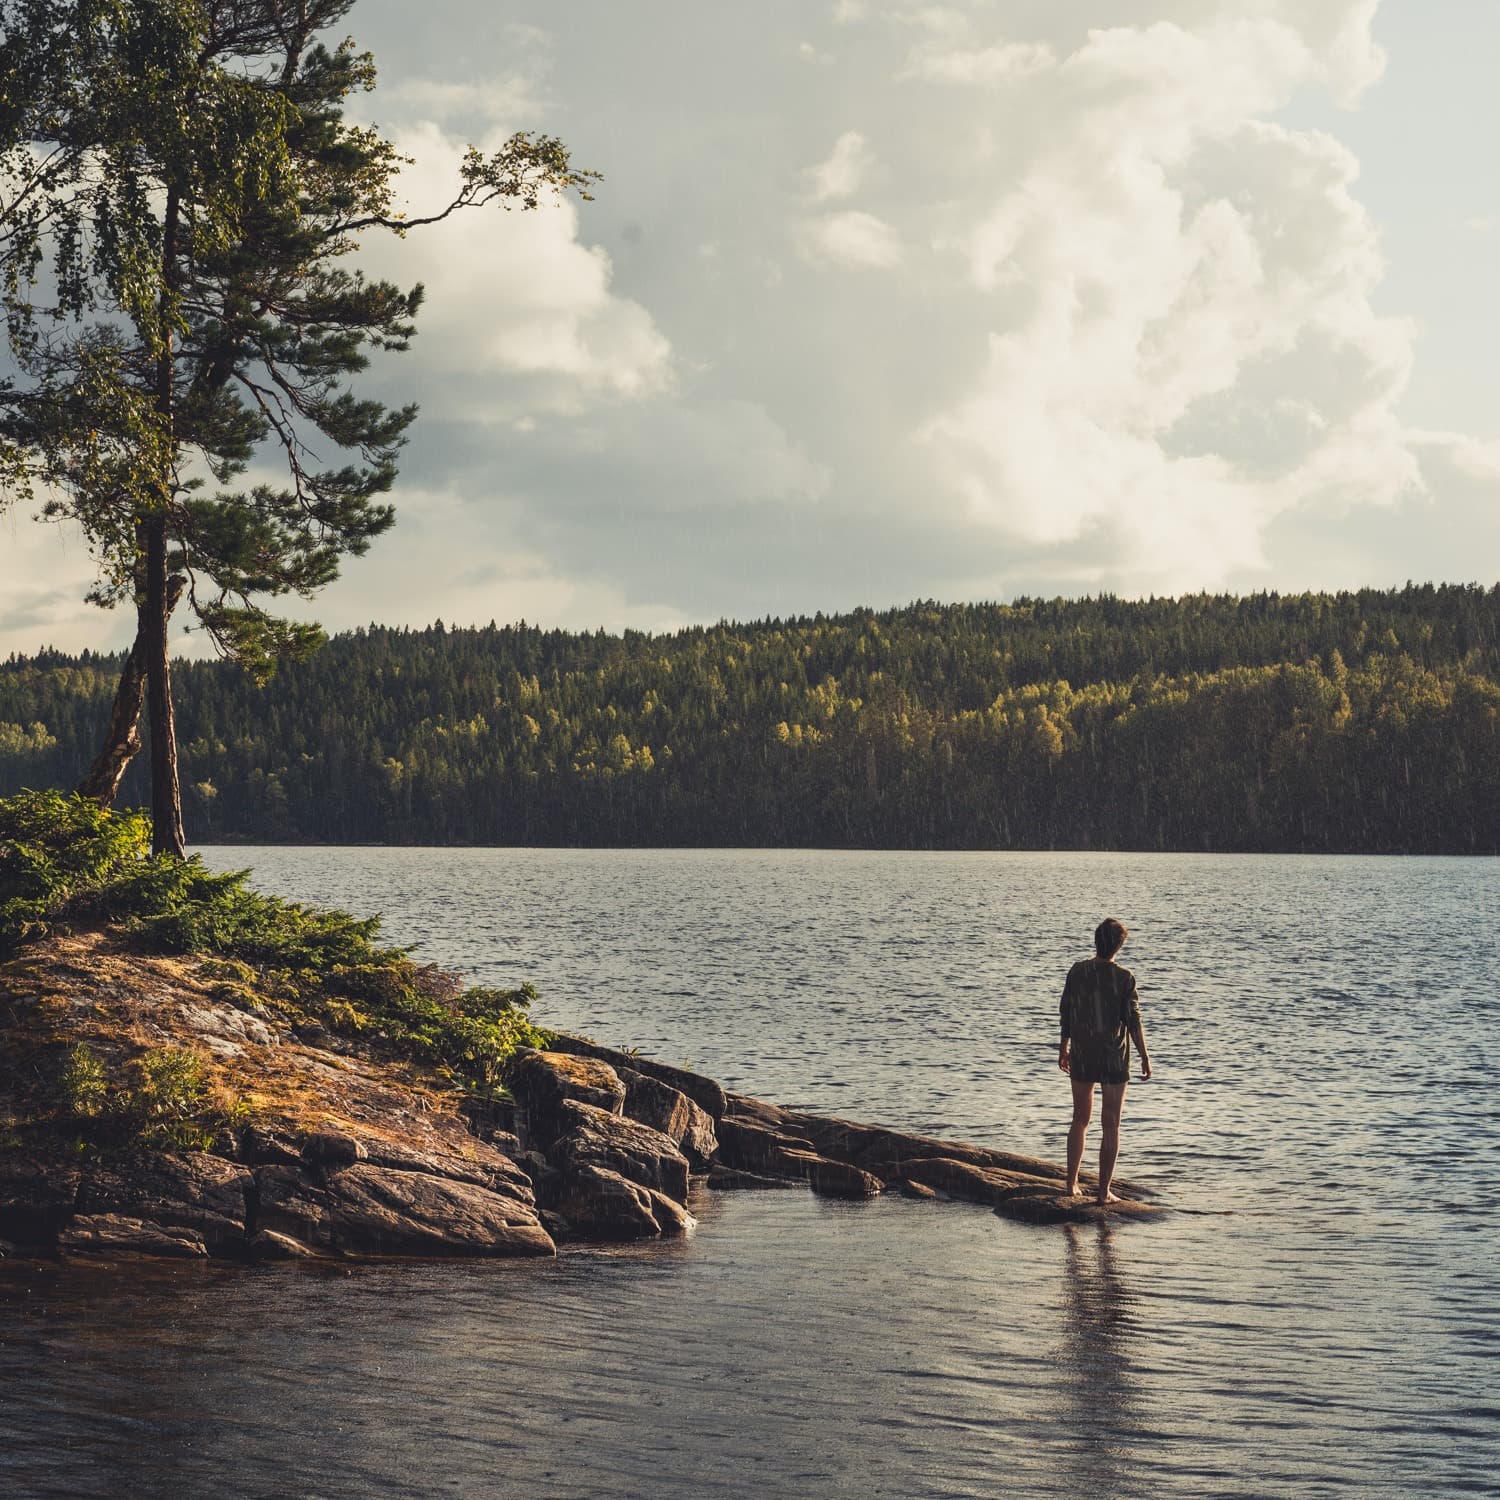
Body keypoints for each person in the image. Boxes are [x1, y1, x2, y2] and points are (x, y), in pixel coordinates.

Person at [1057, 917, 1152, 1203]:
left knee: (1079, 1120)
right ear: (1119, 946)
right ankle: (1102, 1192)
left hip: (1083, 1052)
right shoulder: (1124, 977)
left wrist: (1064, 1047)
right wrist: (1145, 1056)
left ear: (1096, 941)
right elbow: (1133, 1022)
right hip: (1113, 1057)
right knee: (1111, 1124)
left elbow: (1065, 1012)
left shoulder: (1077, 971)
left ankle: (1071, 1183)